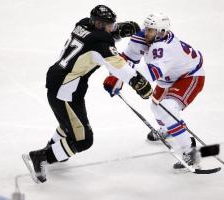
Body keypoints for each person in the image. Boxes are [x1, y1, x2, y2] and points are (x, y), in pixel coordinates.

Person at [22, 5, 152, 183]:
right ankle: (42, 157)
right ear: (98, 23)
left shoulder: (82, 24)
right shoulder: (101, 44)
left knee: (68, 124)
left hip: (62, 83)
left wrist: (118, 30)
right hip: (65, 90)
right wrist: (138, 83)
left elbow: (95, 38)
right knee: (84, 140)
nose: (111, 27)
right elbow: (117, 64)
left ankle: (54, 149)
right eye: (108, 24)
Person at [103, 13, 204, 170]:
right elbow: (127, 58)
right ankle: (168, 129)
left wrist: (120, 72)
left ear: (161, 31)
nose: (146, 32)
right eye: (147, 28)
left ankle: (190, 151)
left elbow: (150, 74)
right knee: (156, 107)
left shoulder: (167, 47)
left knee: (168, 109)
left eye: (151, 30)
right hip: (168, 77)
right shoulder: (143, 36)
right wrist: (116, 78)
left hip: (189, 76)